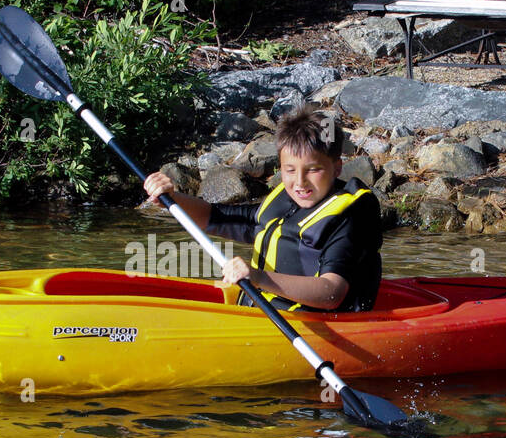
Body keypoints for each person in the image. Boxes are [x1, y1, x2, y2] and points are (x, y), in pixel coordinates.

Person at [142, 107, 382, 312]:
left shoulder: (350, 216)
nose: (300, 182)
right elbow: (212, 218)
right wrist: (174, 198)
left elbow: (332, 292)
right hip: (263, 310)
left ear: (337, 168)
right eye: (290, 170)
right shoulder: (285, 200)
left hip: (321, 322)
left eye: (313, 170)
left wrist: (257, 277)